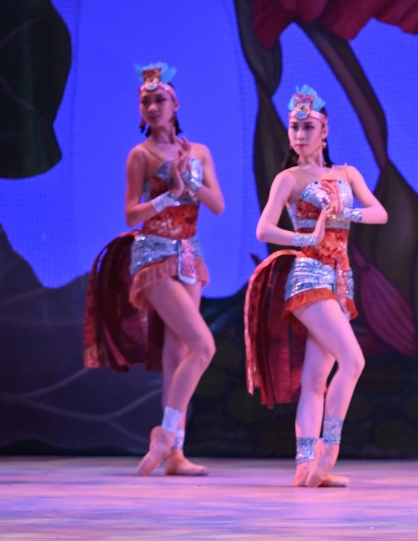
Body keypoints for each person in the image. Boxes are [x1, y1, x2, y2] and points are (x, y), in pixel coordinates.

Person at [84, 62, 224, 476]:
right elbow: (131, 215)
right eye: (145, 101)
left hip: (189, 255)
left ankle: (175, 455)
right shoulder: (140, 155)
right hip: (154, 254)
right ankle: (164, 433)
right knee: (203, 346)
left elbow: (217, 205)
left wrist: (189, 182)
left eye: (159, 99)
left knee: (177, 353)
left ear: (175, 103)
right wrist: (170, 195)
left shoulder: (198, 153)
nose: (152, 107)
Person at [244, 85, 387, 487]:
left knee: (315, 378)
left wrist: (348, 211)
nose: (300, 134)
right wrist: (305, 238)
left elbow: (380, 213)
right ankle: (329, 449)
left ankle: (305, 465)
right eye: (294, 127)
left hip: (342, 279)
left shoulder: (346, 174)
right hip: (309, 276)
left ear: (325, 130)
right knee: (353, 361)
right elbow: (264, 229)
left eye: (308, 126)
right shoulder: (289, 178)